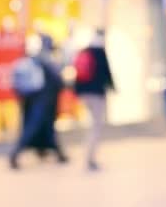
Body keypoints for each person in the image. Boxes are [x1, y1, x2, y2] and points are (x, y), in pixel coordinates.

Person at [10, 34, 68, 169]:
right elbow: (57, 80)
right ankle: (15, 154)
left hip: (39, 101)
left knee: (46, 129)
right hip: (43, 102)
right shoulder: (45, 60)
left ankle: (52, 153)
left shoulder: (37, 59)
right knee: (33, 128)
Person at [74, 29, 114, 171]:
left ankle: (87, 153)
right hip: (96, 94)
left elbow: (77, 76)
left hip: (84, 94)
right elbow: (107, 75)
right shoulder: (100, 52)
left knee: (92, 125)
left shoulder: (84, 51)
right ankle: (90, 157)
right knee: (96, 126)